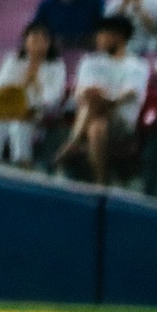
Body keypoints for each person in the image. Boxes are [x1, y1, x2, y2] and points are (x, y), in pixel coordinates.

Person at [56, 15, 146, 188]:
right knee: (97, 127)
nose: (98, 39)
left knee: (96, 104)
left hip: (121, 122)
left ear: (118, 37)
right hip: (90, 116)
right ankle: (101, 183)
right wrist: (101, 97)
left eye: (102, 34)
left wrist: (107, 99)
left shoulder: (137, 65)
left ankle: (72, 143)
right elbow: (82, 93)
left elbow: (129, 94)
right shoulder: (90, 62)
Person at [0, 22, 68, 168]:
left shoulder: (56, 66)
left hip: (38, 111)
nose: (38, 44)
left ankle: (22, 162)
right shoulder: (13, 61)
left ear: (49, 43)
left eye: (43, 40)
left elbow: (54, 97)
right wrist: (24, 82)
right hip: (9, 108)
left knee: (19, 124)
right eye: (34, 40)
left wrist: (36, 83)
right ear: (26, 42)